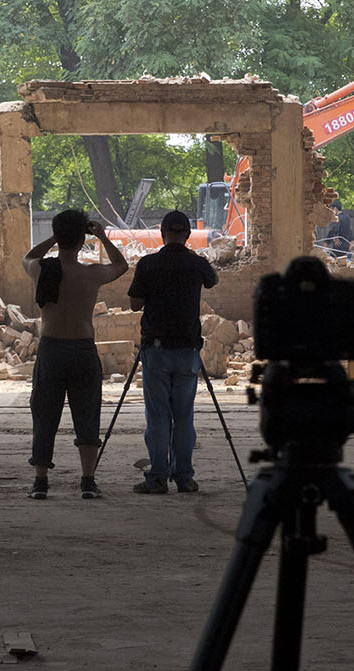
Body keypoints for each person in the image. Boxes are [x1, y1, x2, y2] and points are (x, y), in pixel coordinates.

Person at [21, 208, 127, 500]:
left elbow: (26, 257)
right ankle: (88, 481)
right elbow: (121, 265)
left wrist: (54, 239)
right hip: (82, 350)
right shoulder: (90, 274)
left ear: (58, 237)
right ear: (82, 240)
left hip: (51, 348)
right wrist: (103, 237)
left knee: (44, 415)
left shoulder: (42, 269)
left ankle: (40, 482)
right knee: (87, 414)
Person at [127, 210, 218, 494]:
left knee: (157, 417)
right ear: (188, 235)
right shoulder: (197, 263)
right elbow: (212, 280)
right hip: (187, 352)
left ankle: (157, 477)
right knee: (184, 417)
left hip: (156, 351)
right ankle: (184, 477)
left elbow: (134, 304)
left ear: (162, 233)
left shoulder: (148, 264)